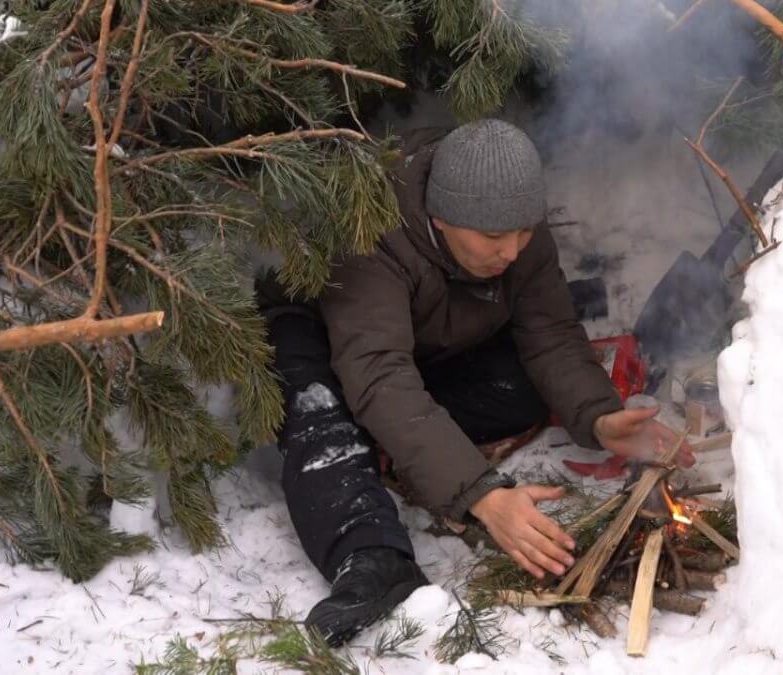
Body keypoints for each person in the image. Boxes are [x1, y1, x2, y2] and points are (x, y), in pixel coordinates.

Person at [257, 119, 692, 646]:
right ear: (441, 219)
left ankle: (397, 442)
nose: (512, 251)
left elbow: (550, 334)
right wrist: (481, 494)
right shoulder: (371, 234)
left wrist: (598, 417)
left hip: (425, 346)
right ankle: (371, 557)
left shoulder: (513, 228)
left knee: (524, 384)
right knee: (322, 416)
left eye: (525, 233)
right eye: (494, 237)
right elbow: (379, 375)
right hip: (326, 340)